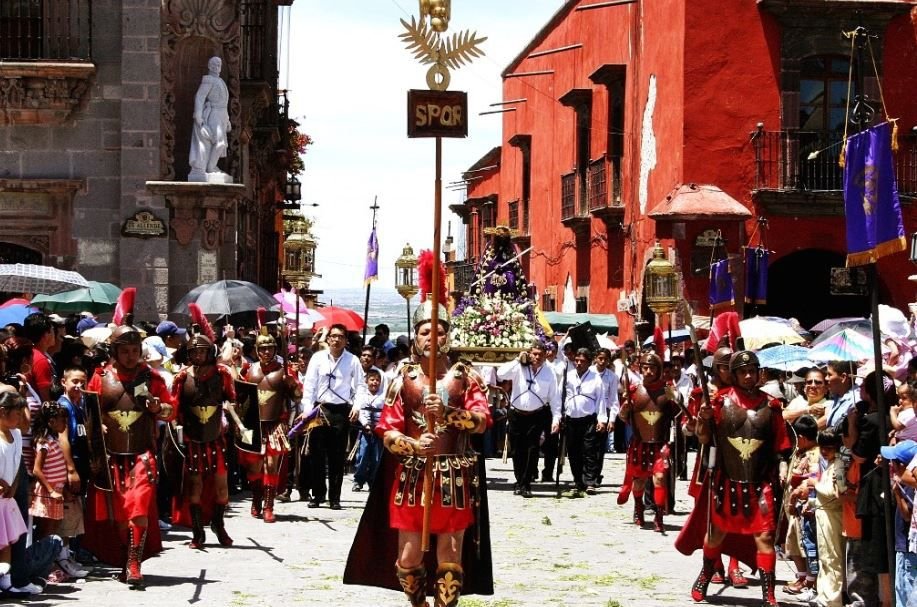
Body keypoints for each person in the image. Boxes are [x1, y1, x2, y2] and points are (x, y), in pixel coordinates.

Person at [343, 295, 494, 607]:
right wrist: (412, 444)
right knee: (409, 558)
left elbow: (482, 421)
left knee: (449, 557)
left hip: (453, 478)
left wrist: (450, 412)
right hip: (412, 477)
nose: (432, 337)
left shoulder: (465, 377)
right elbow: (386, 429)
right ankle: (419, 604)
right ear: (416, 336)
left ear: (448, 336)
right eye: (425, 331)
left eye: (438, 331)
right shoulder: (403, 379)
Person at [680, 350, 791, 607]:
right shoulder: (719, 402)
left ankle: (769, 595)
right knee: (715, 535)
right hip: (726, 481)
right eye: (743, 371)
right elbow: (705, 438)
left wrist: (783, 466)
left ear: (759, 372)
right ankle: (706, 575)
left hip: (760, 483)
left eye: (753, 370)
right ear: (735, 374)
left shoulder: (772, 406)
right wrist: (703, 420)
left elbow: (780, 445)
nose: (749, 375)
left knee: (764, 536)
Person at [84, 325, 174, 589]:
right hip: (112, 456)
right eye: (125, 351)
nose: (130, 356)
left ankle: (135, 564)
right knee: (122, 514)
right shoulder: (99, 377)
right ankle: (126, 557)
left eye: (135, 350)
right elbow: (90, 412)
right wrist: (96, 425)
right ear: (115, 351)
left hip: (142, 453)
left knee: (138, 507)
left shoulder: (152, 378)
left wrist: (159, 406)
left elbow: (170, 411)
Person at [170, 333, 235, 547]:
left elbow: (234, 398)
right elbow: (173, 409)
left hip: (216, 438)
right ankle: (198, 532)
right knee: (195, 487)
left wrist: (230, 407)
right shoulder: (181, 377)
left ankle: (218, 523)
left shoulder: (222, 373)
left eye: (203, 350)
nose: (199, 354)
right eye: (195, 351)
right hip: (193, 439)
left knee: (222, 486)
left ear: (210, 352)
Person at [238, 331, 299, 522]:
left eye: (269, 348)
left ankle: (269, 506)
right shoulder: (248, 370)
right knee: (255, 467)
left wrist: (293, 384)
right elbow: (240, 397)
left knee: (271, 466)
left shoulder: (285, 371)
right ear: (257, 350)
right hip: (253, 425)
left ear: (275, 349)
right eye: (262, 348)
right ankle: (256, 499)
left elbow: (297, 396)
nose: (266, 352)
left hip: (275, 424)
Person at [299, 323, 360, 510]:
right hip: (319, 409)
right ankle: (318, 495)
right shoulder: (317, 358)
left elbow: (360, 387)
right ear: (328, 338)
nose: (336, 339)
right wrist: (307, 409)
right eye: (333, 336)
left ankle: (335, 497)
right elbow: (309, 385)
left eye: (340, 336)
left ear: (345, 340)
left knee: (336, 457)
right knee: (316, 454)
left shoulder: (353, 361)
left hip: (341, 411)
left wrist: (357, 406)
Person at [618, 352, 678, 532]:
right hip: (639, 443)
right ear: (640, 368)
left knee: (659, 479)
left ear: (658, 370)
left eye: (652, 368)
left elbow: (676, 414)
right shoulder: (634, 390)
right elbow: (623, 417)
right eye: (645, 367)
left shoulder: (667, 391)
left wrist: (675, 399)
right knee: (639, 482)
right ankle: (638, 508)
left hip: (659, 443)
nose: (649, 371)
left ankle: (659, 516)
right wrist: (625, 408)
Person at [496, 341, 560, 498]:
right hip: (517, 414)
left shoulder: (550, 372)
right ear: (530, 353)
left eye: (540, 354)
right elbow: (500, 374)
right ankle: (519, 481)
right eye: (534, 354)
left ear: (545, 356)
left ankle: (526, 483)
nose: (537, 357)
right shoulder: (519, 367)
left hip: (537, 415)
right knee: (517, 450)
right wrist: (518, 359)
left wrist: (556, 418)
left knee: (532, 449)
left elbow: (554, 397)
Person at [796, 428, 845, 607]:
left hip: (832, 516)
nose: (824, 451)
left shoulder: (838, 466)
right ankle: (824, 595)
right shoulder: (829, 464)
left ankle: (832, 599)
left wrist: (815, 484)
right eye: (822, 447)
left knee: (832, 558)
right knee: (824, 557)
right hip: (823, 513)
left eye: (829, 448)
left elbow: (837, 493)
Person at [551, 348, 607, 498]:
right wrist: (558, 416)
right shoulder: (568, 376)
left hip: (588, 419)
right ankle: (578, 481)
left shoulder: (595, 378)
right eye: (577, 360)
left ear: (589, 362)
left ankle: (589, 481)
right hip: (571, 419)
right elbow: (559, 397)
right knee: (573, 451)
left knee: (589, 451)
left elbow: (601, 400)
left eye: (582, 361)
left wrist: (602, 419)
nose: (579, 363)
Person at [54, 366, 90, 580]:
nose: (78, 386)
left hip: (80, 464)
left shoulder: (80, 404)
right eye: (74, 381)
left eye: (82, 382)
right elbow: (63, 439)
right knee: (66, 513)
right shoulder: (63, 406)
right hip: (69, 466)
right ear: (64, 382)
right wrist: (70, 470)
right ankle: (62, 558)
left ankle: (68, 555)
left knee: (74, 511)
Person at [781, 415, 820, 600]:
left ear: (802, 437)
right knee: (793, 542)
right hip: (792, 508)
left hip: (804, 508)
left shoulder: (815, 454)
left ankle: (810, 581)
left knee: (807, 545)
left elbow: (811, 479)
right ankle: (801, 576)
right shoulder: (798, 451)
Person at [0, 391, 35, 596]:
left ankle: (6, 582)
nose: (22, 419)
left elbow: (16, 462)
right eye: (18, 413)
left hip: (8, 498)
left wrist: (13, 486)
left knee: (8, 540)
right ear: (3, 412)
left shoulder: (17, 434)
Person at [189, 56, 231, 182]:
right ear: (209, 66)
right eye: (214, 64)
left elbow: (225, 102)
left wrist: (227, 119)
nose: (217, 66)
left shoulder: (221, 81)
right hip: (214, 114)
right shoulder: (208, 80)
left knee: (222, 143)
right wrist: (198, 114)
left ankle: (211, 167)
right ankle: (210, 167)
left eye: (219, 64)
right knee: (219, 142)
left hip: (222, 114)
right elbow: (200, 97)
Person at [351, 367, 384, 492]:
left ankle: (373, 481)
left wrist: (379, 427)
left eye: (377, 380)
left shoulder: (383, 397)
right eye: (372, 380)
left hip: (378, 431)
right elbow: (359, 413)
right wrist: (365, 424)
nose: (374, 382)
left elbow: (385, 414)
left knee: (376, 458)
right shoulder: (361, 397)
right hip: (364, 430)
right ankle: (358, 480)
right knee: (362, 456)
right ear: (366, 381)